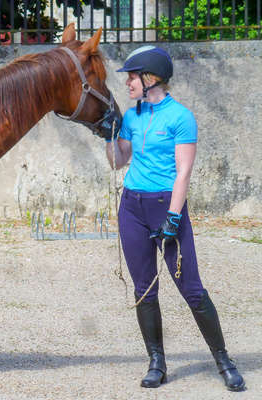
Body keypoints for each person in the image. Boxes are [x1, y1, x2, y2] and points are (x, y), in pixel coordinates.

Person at [102, 45, 246, 391]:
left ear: (151, 79)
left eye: (132, 77)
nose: (128, 83)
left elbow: (183, 173)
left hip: (167, 205)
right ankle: (157, 363)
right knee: (143, 289)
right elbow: (117, 161)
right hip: (132, 206)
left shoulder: (180, 117)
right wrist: (105, 133)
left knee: (191, 289)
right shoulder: (132, 117)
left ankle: (223, 360)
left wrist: (172, 217)